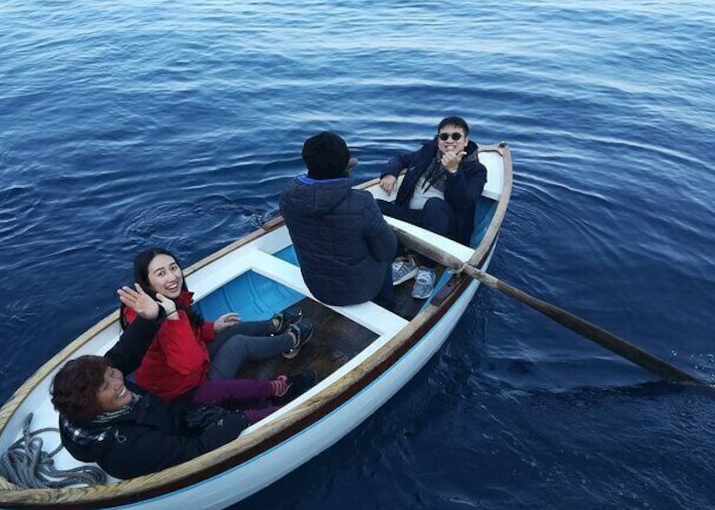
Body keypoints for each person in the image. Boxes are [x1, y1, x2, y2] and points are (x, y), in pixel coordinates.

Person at [51, 355, 306, 480]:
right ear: (90, 404)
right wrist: (235, 420)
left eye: (112, 373)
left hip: (171, 416)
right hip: (180, 441)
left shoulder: (89, 411)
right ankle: (293, 407)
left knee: (218, 391)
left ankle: (276, 389)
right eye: (106, 386)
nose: (118, 382)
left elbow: (126, 350)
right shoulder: (128, 446)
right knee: (243, 417)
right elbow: (196, 451)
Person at [121, 247, 315, 402]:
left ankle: (273, 325)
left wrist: (212, 328)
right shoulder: (153, 318)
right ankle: (292, 340)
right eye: (161, 273)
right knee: (239, 344)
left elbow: (188, 332)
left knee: (230, 329)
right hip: (184, 391)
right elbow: (189, 364)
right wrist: (173, 315)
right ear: (147, 282)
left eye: (173, 268)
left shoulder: (165, 299)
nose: (172, 277)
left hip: (184, 370)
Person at [279, 131, 398, 309]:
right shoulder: (362, 202)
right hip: (361, 290)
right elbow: (388, 252)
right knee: (384, 252)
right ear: (346, 166)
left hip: (317, 288)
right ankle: (387, 305)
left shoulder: (288, 196)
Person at [376, 116, 487, 299]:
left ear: (465, 141)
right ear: (438, 140)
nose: (449, 141)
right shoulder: (428, 151)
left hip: (446, 228)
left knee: (434, 206)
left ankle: (427, 266)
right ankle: (405, 258)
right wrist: (389, 173)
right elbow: (400, 158)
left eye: (456, 136)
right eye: (444, 137)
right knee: (372, 205)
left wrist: (453, 171)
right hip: (414, 217)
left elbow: (464, 202)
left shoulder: (476, 170)